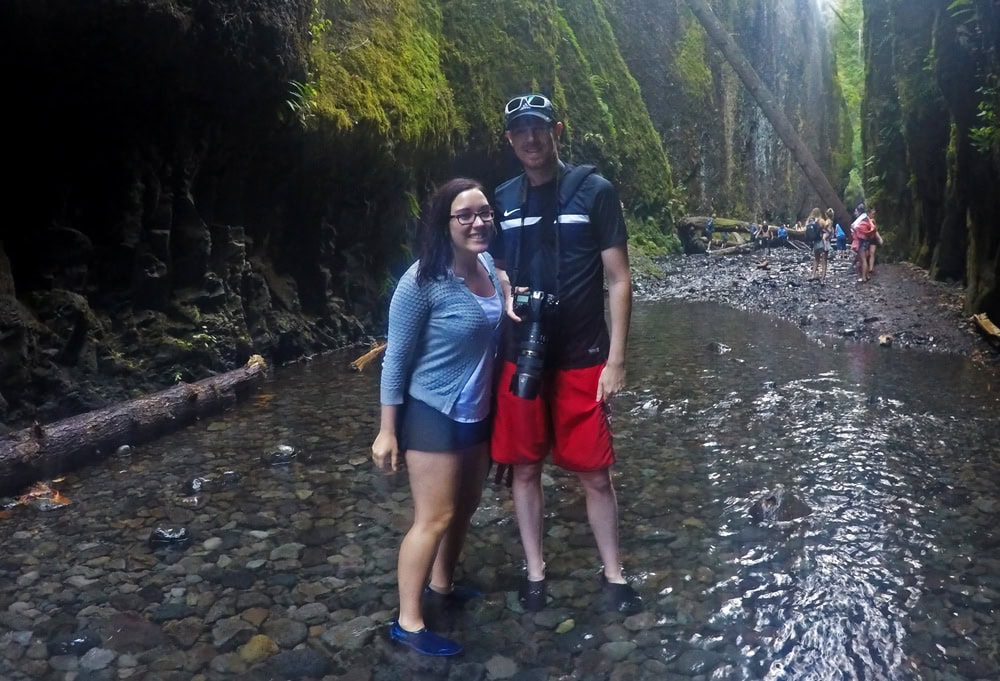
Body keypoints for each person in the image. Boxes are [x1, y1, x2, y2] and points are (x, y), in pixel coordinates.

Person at [489, 93, 641, 614]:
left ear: (557, 130)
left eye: (538, 128)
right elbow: (496, 270)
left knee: (595, 473)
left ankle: (614, 571)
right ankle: (535, 569)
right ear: (510, 141)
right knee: (525, 467)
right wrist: (508, 292)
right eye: (519, 132)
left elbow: (619, 278)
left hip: (582, 354)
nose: (530, 139)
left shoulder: (594, 192)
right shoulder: (503, 200)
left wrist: (616, 359)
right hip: (521, 353)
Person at [371, 178, 503, 656]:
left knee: (464, 507)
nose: (477, 222)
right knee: (434, 516)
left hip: (478, 411)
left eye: (484, 212)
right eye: (464, 215)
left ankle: (442, 586)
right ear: (444, 223)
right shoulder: (421, 280)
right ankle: (408, 622)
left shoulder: (488, 265)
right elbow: (396, 359)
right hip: (432, 411)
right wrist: (388, 431)